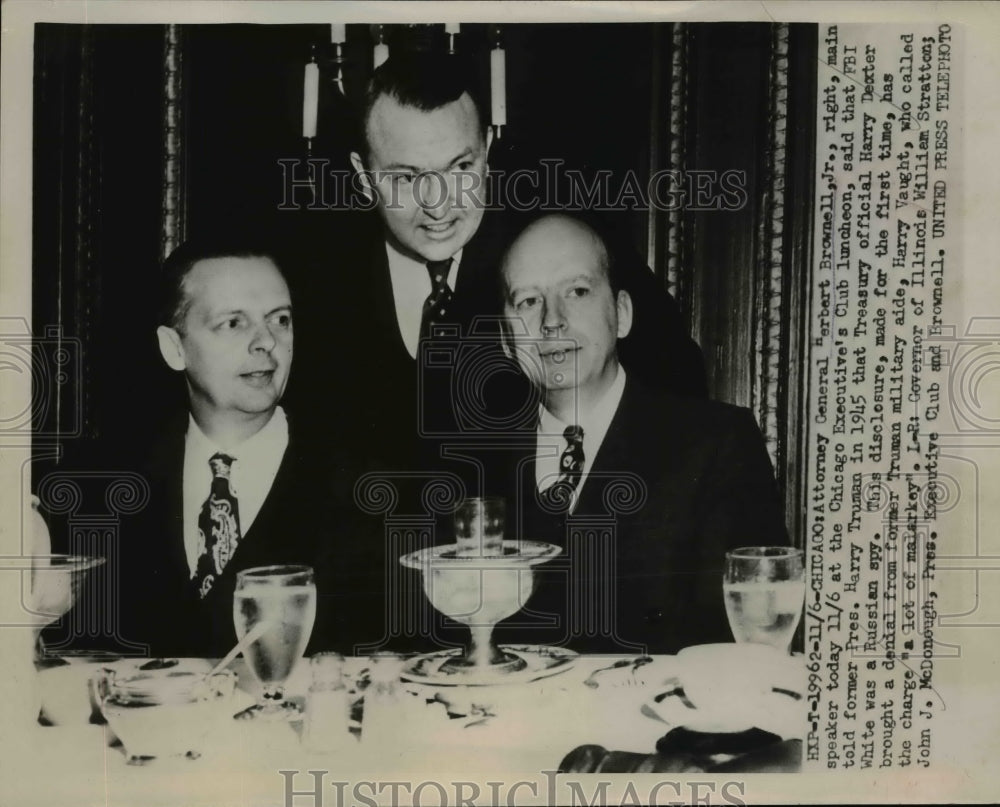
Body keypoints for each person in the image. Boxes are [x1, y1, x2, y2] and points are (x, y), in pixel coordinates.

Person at [288, 52, 706, 480]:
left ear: (487, 148)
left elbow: (678, 381)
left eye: (461, 168)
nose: (438, 205)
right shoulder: (315, 280)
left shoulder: (562, 245)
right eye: (406, 178)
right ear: (363, 174)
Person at [495, 214, 789, 655]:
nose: (552, 321)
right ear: (504, 339)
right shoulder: (469, 465)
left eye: (577, 291)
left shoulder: (716, 446)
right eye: (528, 301)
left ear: (623, 315)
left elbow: (750, 650)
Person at [113, 238, 338, 657]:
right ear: (174, 348)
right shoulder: (110, 488)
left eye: (280, 320)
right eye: (233, 323)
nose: (265, 342)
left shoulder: (364, 487)